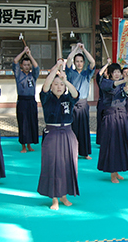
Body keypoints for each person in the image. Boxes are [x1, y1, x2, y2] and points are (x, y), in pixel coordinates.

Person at [37, 60, 80, 210]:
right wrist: (55, 69)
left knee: (68, 166)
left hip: (68, 134)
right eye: (56, 84)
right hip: (52, 134)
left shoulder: (68, 99)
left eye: (61, 84)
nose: (59, 87)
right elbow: (45, 87)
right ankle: (54, 198)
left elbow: (75, 93)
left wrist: (65, 80)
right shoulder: (46, 98)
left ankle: (64, 195)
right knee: (53, 166)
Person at [98, 63, 128, 183]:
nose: (117, 74)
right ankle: (112, 174)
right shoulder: (105, 82)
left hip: (122, 115)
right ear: (109, 74)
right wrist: (123, 81)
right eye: (114, 72)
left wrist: (127, 89)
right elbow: (112, 85)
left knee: (121, 143)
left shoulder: (122, 84)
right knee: (111, 144)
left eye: (118, 72)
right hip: (110, 116)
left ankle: (118, 170)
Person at [66, 43, 96, 159]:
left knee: (84, 128)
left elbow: (92, 62)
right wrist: (76, 50)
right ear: (75, 63)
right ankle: (71, 151)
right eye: (77, 61)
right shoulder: (70, 73)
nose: (79, 63)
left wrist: (84, 49)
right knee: (72, 128)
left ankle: (85, 152)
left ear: (83, 63)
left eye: (81, 61)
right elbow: (68, 59)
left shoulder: (87, 74)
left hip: (83, 104)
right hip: (72, 104)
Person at [13, 46, 40, 153]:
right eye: (25, 65)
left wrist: (29, 55)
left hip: (32, 101)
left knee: (31, 122)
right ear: (21, 66)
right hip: (22, 101)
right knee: (23, 123)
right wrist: (23, 51)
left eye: (28, 65)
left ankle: (29, 145)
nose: (27, 66)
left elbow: (36, 66)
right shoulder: (18, 74)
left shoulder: (33, 75)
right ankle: (23, 146)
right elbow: (15, 61)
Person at [95, 58, 111, 145]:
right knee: (101, 123)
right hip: (102, 103)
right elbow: (99, 74)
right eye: (105, 70)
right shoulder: (101, 81)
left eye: (107, 71)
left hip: (110, 105)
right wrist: (107, 64)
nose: (106, 72)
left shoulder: (113, 81)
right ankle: (101, 141)